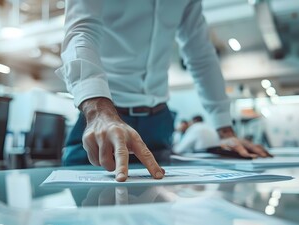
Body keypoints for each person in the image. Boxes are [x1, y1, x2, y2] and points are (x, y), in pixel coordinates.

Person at [56, 0, 270, 182]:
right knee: (89, 212)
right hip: (103, 118)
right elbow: (80, 32)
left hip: (158, 121)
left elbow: (201, 55)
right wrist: (98, 111)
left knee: (160, 216)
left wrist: (226, 132)